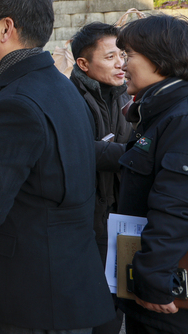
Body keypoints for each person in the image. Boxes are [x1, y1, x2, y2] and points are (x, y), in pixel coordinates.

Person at [0, 0, 115, 333]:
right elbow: (44, 170)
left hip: (36, 293)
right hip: (66, 281)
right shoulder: (59, 86)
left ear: (6, 28)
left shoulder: (14, 102)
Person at [115, 15, 188, 334]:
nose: (122, 65)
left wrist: (152, 279)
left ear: (161, 57)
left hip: (175, 306)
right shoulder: (163, 113)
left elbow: (177, 210)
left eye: (128, 55)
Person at [70, 22, 132, 334]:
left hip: (118, 219)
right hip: (86, 223)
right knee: (86, 309)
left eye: (122, 55)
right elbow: (77, 151)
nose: (121, 63)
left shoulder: (126, 96)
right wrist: (132, 154)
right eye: (110, 57)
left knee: (114, 309)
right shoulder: (70, 99)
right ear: (83, 64)